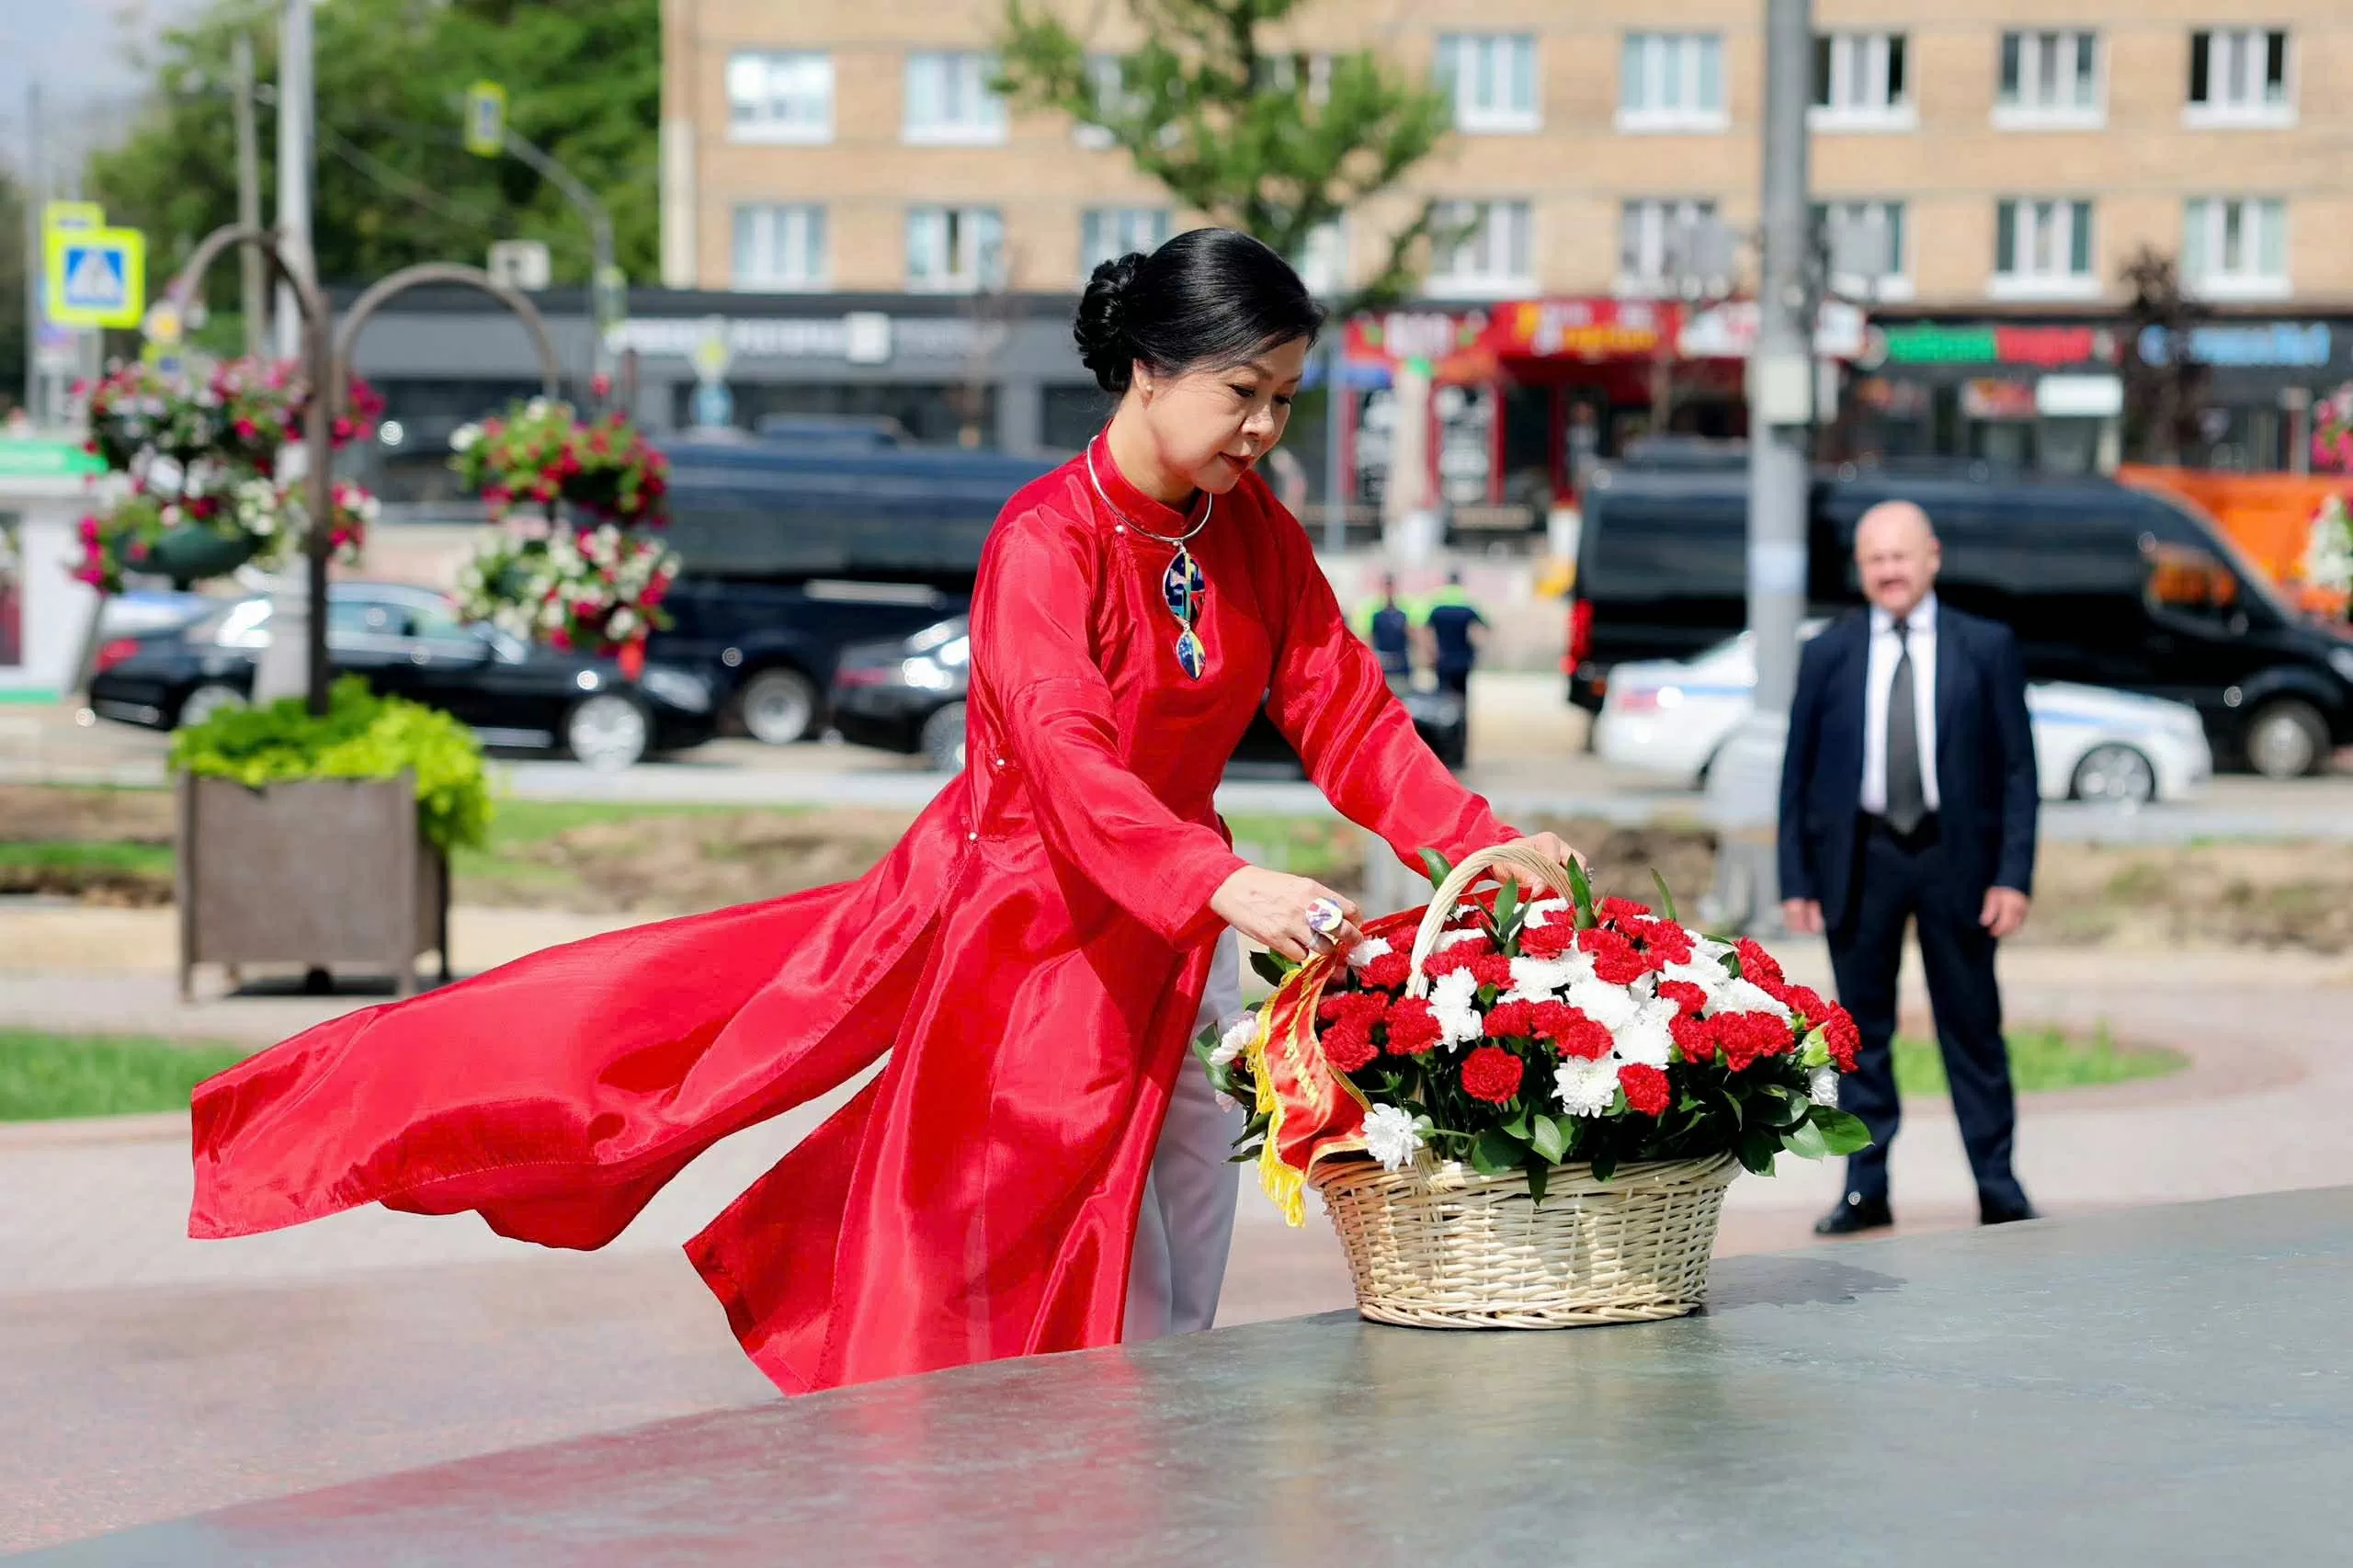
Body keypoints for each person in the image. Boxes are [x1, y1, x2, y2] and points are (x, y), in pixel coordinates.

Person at [187, 229, 1575, 1395]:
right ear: (1148, 372)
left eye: (1284, 396)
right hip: (1028, 931)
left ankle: (1144, 1483)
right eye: (1241, 393)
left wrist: (1474, 838)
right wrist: (1215, 881)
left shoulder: (1251, 529)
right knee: (1031, 1232)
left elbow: (1345, 708)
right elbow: (1066, 756)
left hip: (1174, 922)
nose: (1266, 429)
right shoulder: (1049, 540)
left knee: (1192, 1206)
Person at [1778, 500, 2039, 1236]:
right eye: (1875, 560)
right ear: (1861, 570)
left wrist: (2013, 875)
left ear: (1932, 557)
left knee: (1973, 1029)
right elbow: (1797, 773)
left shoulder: (1984, 647)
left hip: (1958, 861)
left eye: (1901, 556)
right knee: (1860, 1036)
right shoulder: (1828, 651)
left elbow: (2019, 772)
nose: (1890, 571)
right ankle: (1866, 1188)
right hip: (1860, 862)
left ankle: (1998, 1187)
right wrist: (1797, 879)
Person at [1417, 570, 1488, 697]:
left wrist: (1430, 652)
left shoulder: (1437, 606)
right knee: (1461, 695)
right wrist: (1477, 648)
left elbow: (1425, 630)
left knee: (1442, 695)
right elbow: (1486, 628)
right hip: (1462, 659)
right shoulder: (1467, 605)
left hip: (1442, 658)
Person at [1351, 571, 1415, 681]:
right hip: (1382, 660)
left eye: (1390, 585)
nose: (1388, 589)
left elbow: (1412, 634)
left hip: (1400, 659)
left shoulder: (1404, 610)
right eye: (1386, 585)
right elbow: (1368, 637)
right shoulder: (1372, 610)